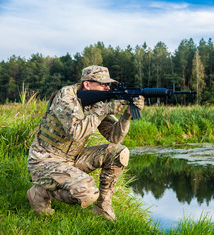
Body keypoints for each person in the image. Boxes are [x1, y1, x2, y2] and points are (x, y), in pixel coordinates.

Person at [26, 65, 144, 220]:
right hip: (44, 160)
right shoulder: (66, 97)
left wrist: (127, 115)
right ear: (87, 84)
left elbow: (114, 137)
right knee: (87, 193)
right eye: (103, 84)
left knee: (119, 153)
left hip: (72, 158)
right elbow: (75, 133)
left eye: (108, 84)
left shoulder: (97, 102)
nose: (107, 88)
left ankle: (102, 207)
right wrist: (104, 110)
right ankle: (39, 193)